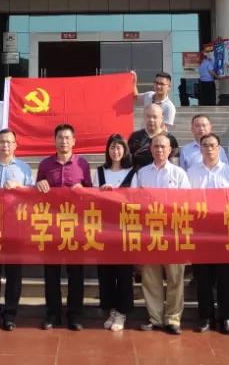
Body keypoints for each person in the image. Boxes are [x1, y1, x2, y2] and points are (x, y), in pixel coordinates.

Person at [36, 123, 93, 330]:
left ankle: (74, 315)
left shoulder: (82, 164)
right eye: (60, 137)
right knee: (51, 272)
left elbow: (91, 193)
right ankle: (52, 314)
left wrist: (83, 190)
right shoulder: (45, 165)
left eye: (68, 138)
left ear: (74, 141)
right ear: (55, 140)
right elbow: (36, 194)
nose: (64, 141)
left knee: (76, 273)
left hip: (75, 225)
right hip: (51, 225)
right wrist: (38, 185)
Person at [135, 134, 191, 335]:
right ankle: (155, 318)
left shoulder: (179, 173)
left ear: (170, 150)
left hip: (173, 232)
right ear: (150, 149)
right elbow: (135, 201)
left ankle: (173, 319)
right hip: (150, 232)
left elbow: (187, 202)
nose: (159, 150)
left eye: (163, 147)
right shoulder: (142, 174)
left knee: (175, 278)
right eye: (156, 146)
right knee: (151, 278)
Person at [0, 128, 34, 331]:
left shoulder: (24, 168)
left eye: (9, 142)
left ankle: (10, 315)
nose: (5, 145)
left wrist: (20, 188)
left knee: (14, 274)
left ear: (15, 145)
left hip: (15, 227)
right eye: (1, 141)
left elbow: (34, 195)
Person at [187, 133, 229, 335]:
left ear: (219, 148)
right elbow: (185, 201)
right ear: (200, 149)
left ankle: (226, 318)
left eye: (212, 145)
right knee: (203, 278)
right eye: (205, 145)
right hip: (199, 233)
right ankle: (206, 317)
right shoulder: (191, 172)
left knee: (225, 278)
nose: (209, 149)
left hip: (223, 233)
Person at [96, 134, 136, 332]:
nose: (115, 151)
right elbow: (91, 199)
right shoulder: (99, 172)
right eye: (112, 147)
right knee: (106, 272)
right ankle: (111, 309)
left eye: (119, 147)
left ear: (125, 150)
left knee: (124, 272)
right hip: (104, 229)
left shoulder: (133, 172)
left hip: (125, 230)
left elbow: (136, 201)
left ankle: (122, 311)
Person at [128, 103, 179, 170]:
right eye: (148, 116)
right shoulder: (135, 137)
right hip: (139, 175)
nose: (151, 120)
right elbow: (128, 160)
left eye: (154, 117)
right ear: (144, 117)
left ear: (161, 118)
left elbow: (174, 164)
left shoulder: (170, 139)